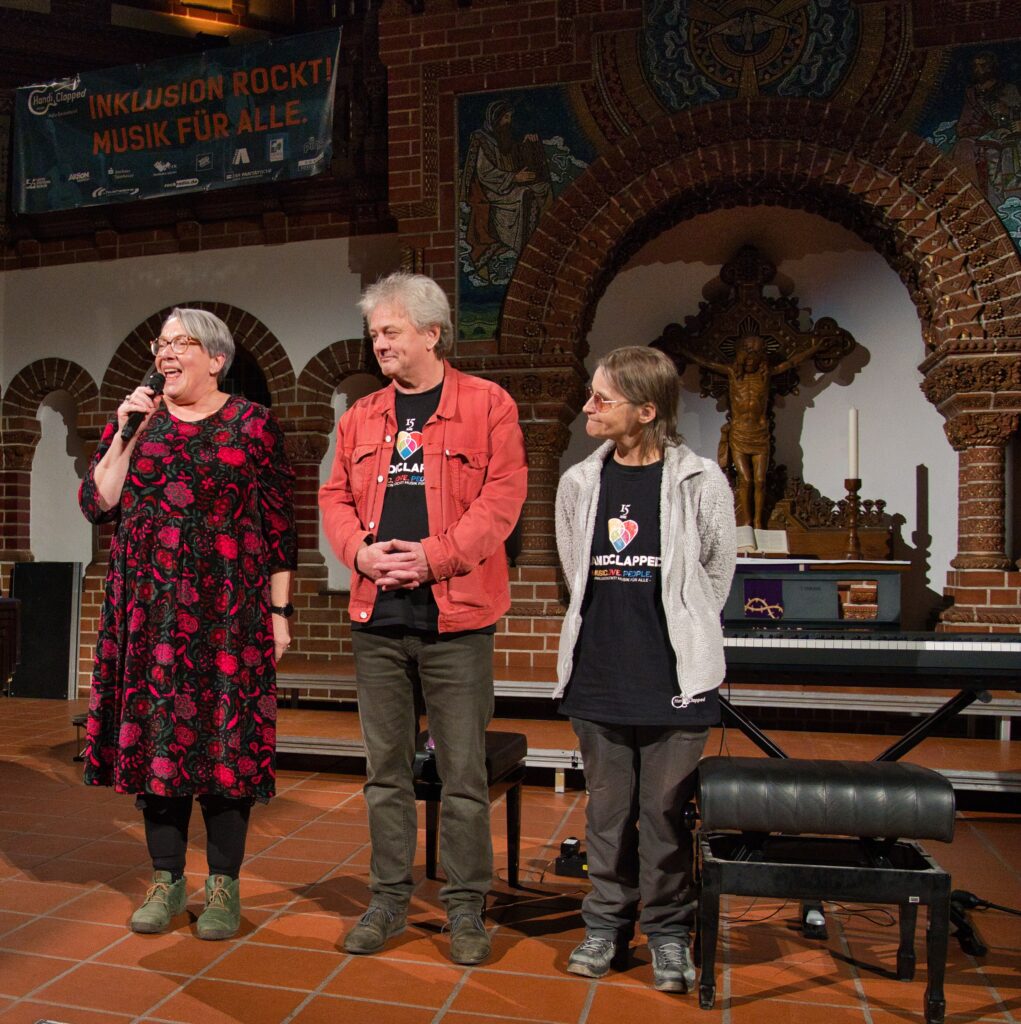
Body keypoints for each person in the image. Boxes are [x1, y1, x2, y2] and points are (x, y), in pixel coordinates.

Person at [319, 271, 527, 965]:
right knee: (386, 774)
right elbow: (334, 497)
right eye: (373, 333)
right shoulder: (360, 415)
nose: (378, 343)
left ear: (432, 333)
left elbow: (501, 501)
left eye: (391, 331)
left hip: (456, 621)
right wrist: (359, 552)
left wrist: (433, 559)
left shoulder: (487, 404)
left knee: (463, 774)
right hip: (376, 618)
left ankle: (466, 908)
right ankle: (387, 900)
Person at [79, 307, 296, 940]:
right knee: (158, 741)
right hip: (148, 610)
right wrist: (125, 432)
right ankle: (166, 880)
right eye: (162, 342)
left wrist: (280, 613)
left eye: (182, 343)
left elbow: (280, 526)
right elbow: (97, 503)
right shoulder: (137, 421)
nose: (167, 353)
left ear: (217, 359)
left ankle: (223, 885)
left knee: (227, 743)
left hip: (229, 608)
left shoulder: (253, 424)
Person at [554, 346, 736, 992]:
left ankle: (667, 934)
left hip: (672, 680)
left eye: (602, 398)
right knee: (605, 817)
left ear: (646, 411)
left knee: (664, 819)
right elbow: (575, 571)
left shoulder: (700, 480)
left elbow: (715, 573)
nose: (587, 407)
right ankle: (604, 925)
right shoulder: (579, 482)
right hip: (600, 674)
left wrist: (685, 632)